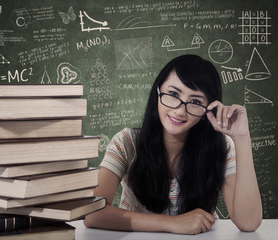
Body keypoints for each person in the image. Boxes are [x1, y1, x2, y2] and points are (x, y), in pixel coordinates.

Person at [84, 54, 262, 235]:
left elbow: (248, 223)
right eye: (173, 94)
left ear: (209, 109)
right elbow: (91, 213)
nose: (179, 110)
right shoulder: (127, 142)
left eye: (195, 102)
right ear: (158, 92)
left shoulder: (222, 146)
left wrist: (242, 137)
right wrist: (172, 223)